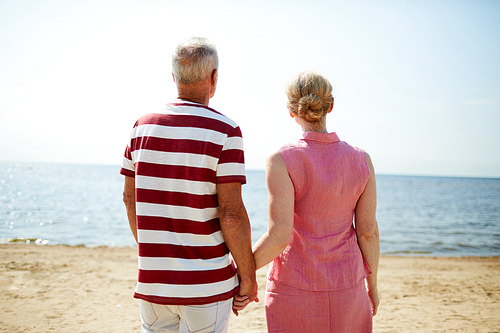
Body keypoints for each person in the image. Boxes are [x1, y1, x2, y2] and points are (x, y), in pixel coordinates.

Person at [121, 37, 258, 333]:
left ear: (174, 77)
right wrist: (248, 276)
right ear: (214, 77)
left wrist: (155, 255)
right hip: (206, 285)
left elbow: (129, 200)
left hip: (155, 281)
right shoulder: (226, 131)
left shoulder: (140, 127)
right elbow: (231, 214)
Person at [247, 70, 380, 332]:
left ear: (291, 112)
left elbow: (279, 235)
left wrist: (245, 270)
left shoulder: (281, 160)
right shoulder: (362, 160)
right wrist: (372, 286)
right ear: (331, 106)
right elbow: (367, 232)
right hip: (348, 286)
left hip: (294, 287)